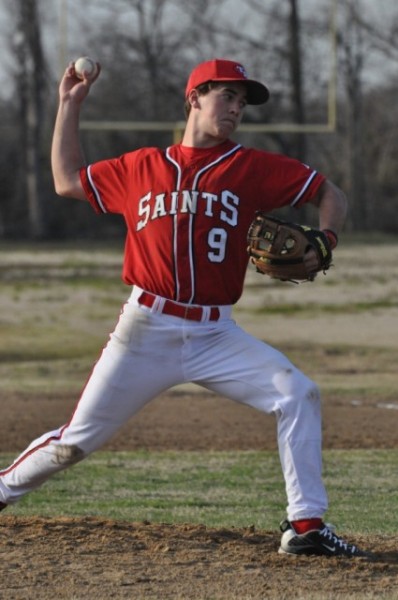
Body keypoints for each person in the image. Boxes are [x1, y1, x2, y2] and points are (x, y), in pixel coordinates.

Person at [0, 58, 369, 558]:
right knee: (74, 443)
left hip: (218, 335)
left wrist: (326, 238)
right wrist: (69, 104)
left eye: (242, 102)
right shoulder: (141, 167)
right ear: (194, 97)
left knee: (298, 394)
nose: (236, 108)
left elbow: (330, 192)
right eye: (227, 96)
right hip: (145, 330)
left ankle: (305, 525)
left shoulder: (252, 168)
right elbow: (66, 179)